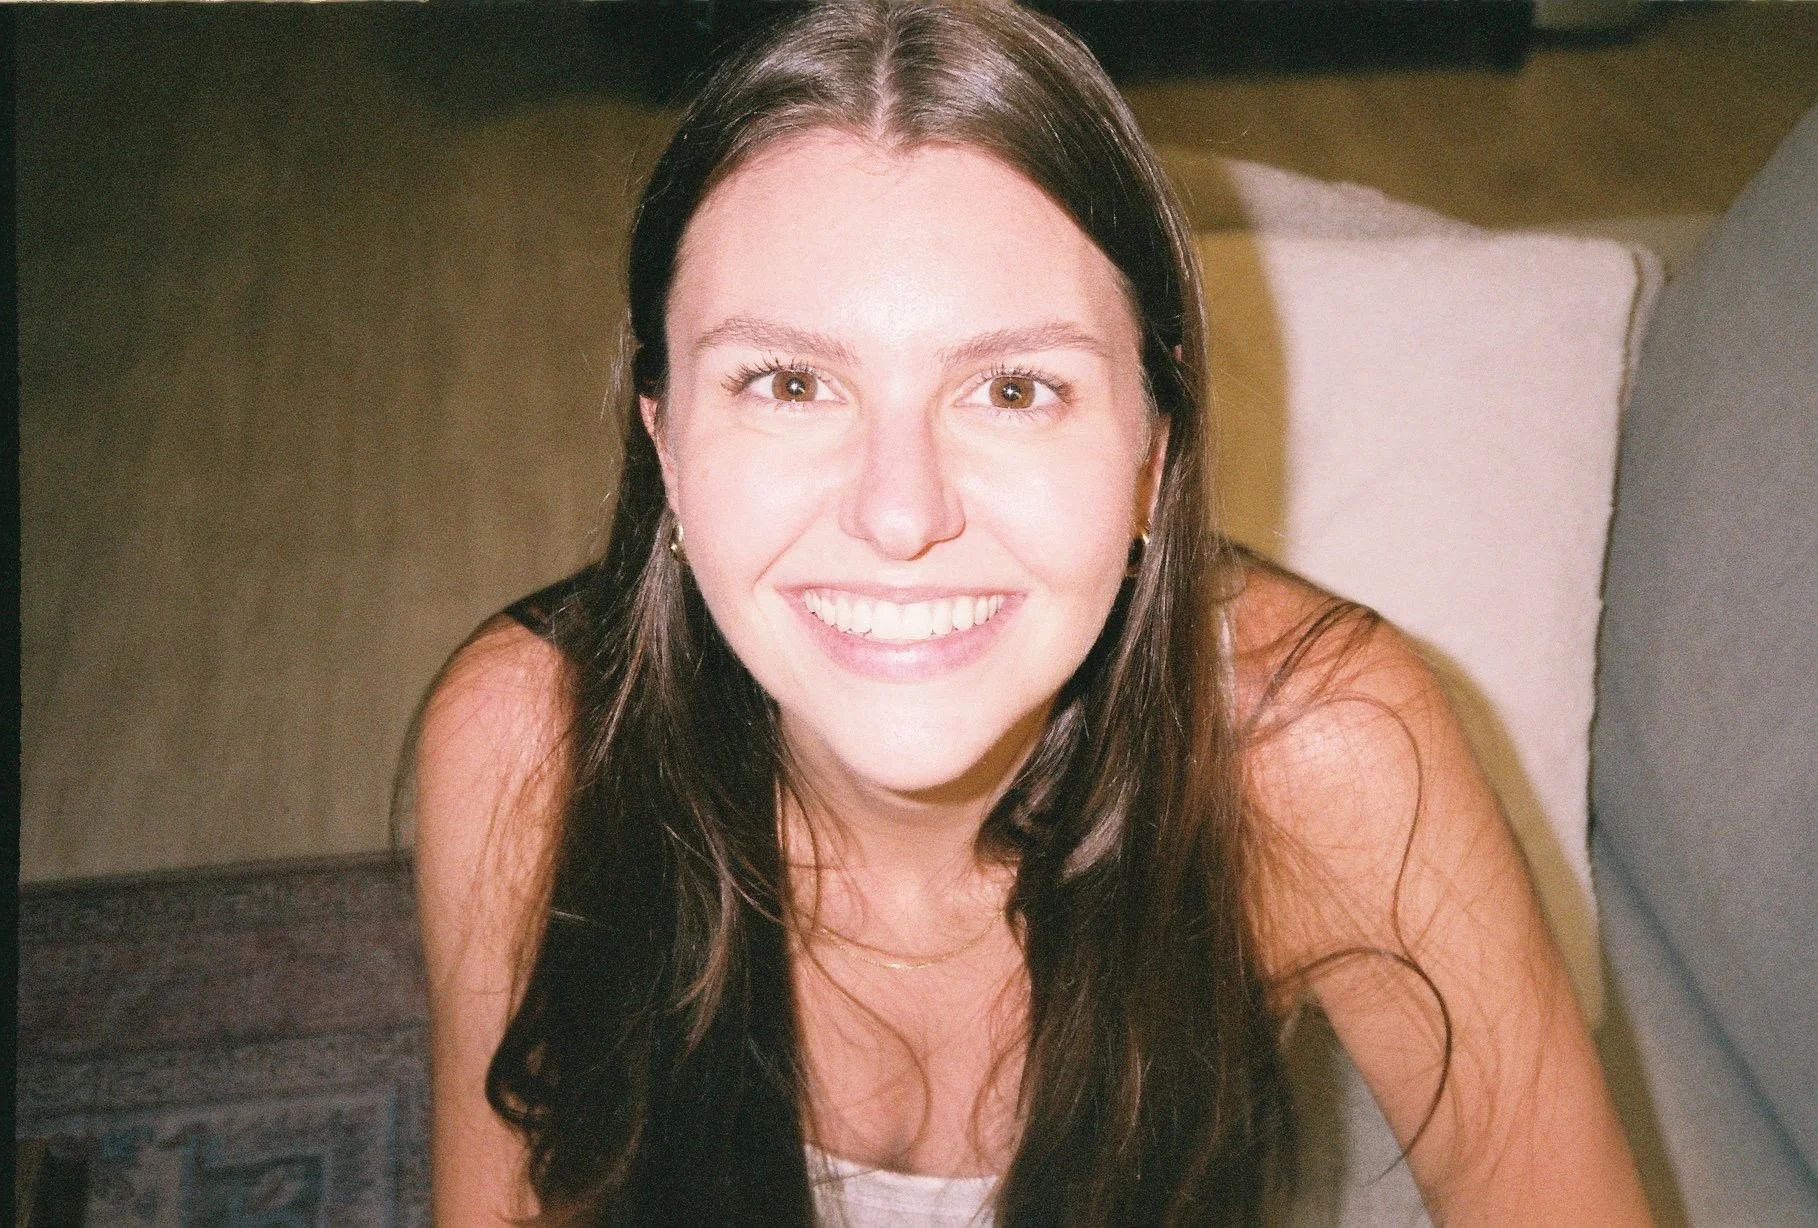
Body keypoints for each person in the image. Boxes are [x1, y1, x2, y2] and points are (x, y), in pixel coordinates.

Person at [410, 2, 1651, 1224]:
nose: (901, 515)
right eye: (789, 382)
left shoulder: (1316, 757)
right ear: (666, 442)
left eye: (1012, 387)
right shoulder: (531, 747)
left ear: (1151, 457)